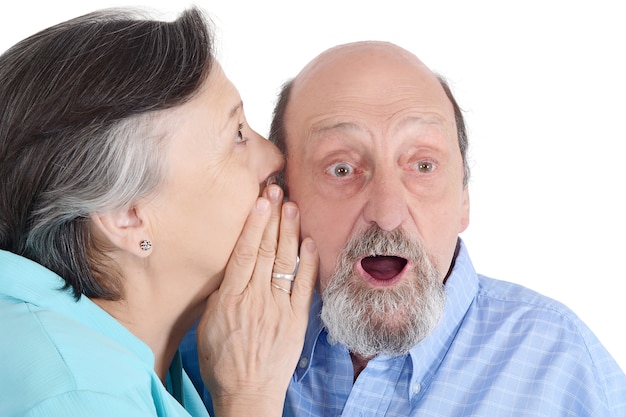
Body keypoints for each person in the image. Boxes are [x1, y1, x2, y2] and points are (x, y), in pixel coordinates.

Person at [181, 41, 626, 415]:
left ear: (464, 197)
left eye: (423, 165)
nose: (388, 212)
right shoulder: (199, 350)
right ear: (281, 194)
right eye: (341, 169)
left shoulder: (566, 368)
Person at [0, 7, 317, 417]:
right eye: (237, 135)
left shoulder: (118, 361)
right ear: (127, 216)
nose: (275, 157)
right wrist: (249, 398)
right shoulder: (79, 397)